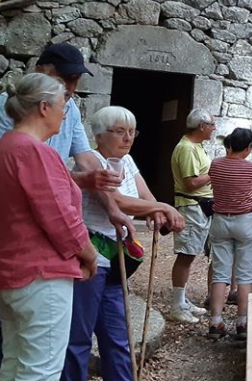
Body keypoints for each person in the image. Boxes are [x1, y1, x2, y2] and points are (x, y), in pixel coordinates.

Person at [0, 43, 132, 381]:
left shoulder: (22, 142)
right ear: (42, 103)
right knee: (27, 359)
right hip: (24, 253)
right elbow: (51, 207)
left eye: (75, 81)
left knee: (16, 357)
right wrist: (88, 253)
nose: (70, 94)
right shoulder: (24, 142)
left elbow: (82, 164)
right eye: (65, 83)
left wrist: (111, 204)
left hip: (15, 249)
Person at [0, 73, 100, 381]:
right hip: (39, 274)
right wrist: (88, 253)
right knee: (41, 370)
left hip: (10, 272)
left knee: (14, 364)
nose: (65, 112)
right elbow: (60, 217)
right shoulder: (33, 150)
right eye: (63, 104)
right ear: (44, 108)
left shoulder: (6, 148)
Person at [64, 106, 185, 381]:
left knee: (119, 336)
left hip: (117, 260)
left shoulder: (128, 162)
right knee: (78, 337)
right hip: (90, 257)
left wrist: (155, 209)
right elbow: (116, 200)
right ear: (98, 135)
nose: (128, 138)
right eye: (120, 131)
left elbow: (145, 196)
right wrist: (164, 206)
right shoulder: (90, 163)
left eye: (132, 132)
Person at [206, 128, 252, 340]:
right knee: (245, 274)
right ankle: (242, 322)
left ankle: (215, 322)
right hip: (245, 221)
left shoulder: (216, 164)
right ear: (248, 147)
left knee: (220, 272)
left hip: (220, 220)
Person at [167, 108, 216, 323]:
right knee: (186, 255)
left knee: (190, 254)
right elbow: (191, 183)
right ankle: (177, 305)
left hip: (199, 206)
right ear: (202, 126)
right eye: (212, 125)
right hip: (191, 207)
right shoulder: (186, 149)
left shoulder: (196, 146)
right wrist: (214, 172)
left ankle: (183, 300)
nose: (214, 129)